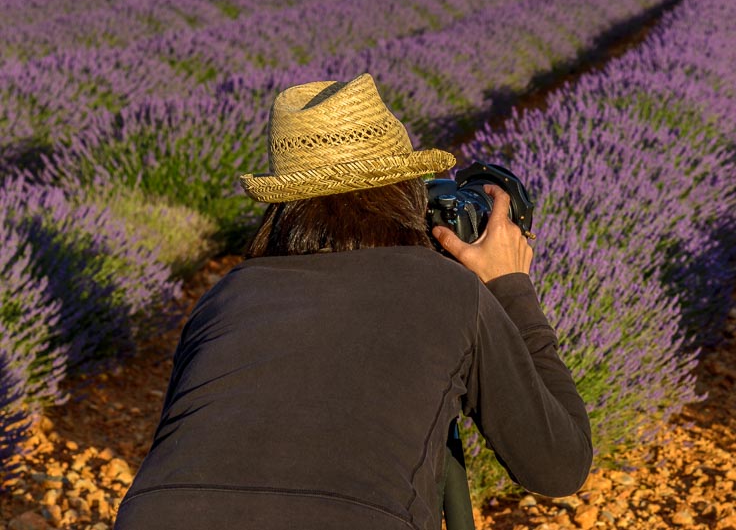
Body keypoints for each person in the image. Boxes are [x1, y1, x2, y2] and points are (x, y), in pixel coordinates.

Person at [114, 73, 593, 530]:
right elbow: (558, 465)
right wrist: (509, 286)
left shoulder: (225, 294)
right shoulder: (449, 292)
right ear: (407, 193)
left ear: (284, 208)